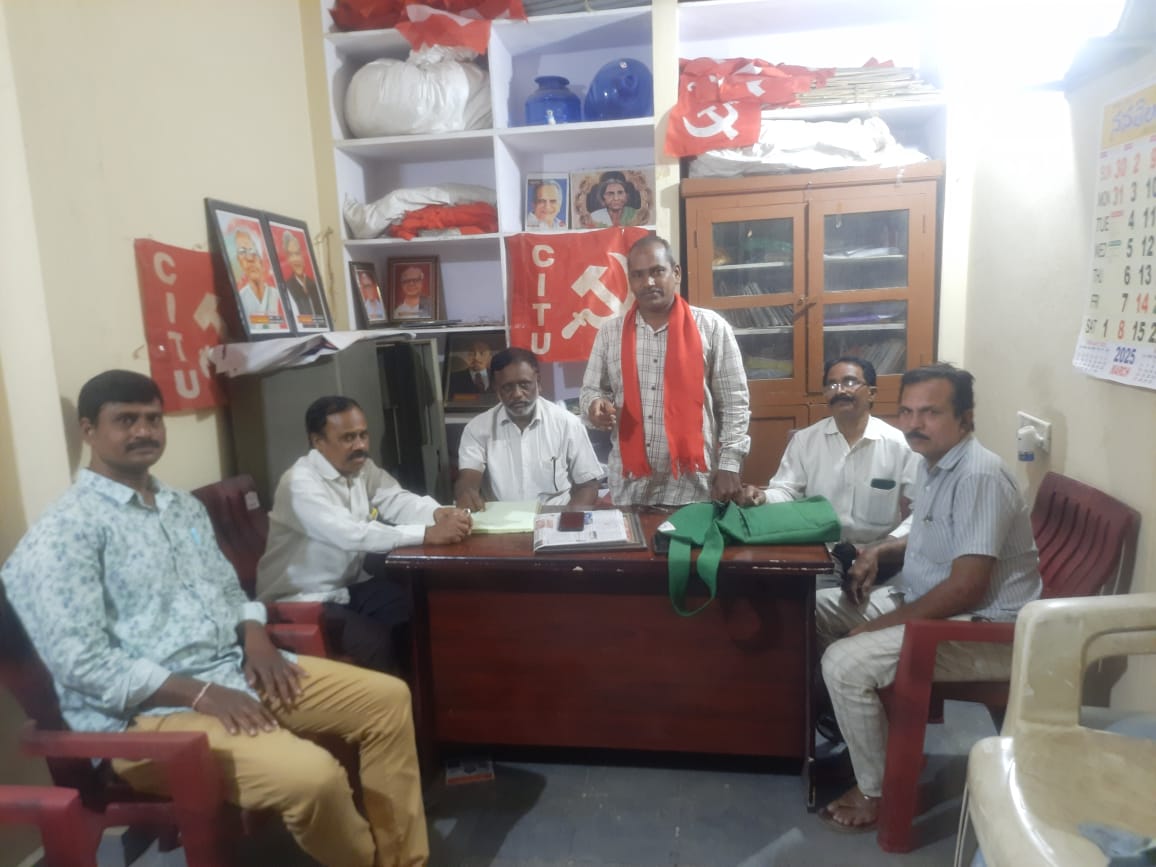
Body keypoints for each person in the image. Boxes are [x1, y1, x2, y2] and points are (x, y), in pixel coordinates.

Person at [0, 370, 429, 866]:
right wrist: (198, 693)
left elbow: (226, 587)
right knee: (313, 777)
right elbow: (81, 663)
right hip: (148, 716)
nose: (144, 431)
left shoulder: (179, 507)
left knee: (387, 699)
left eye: (153, 419)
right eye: (126, 420)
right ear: (89, 430)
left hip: (234, 670)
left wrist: (255, 636)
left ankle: (404, 861)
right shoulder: (66, 532)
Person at [815, 363, 1042, 833]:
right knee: (811, 611)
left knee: (843, 661)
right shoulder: (935, 463)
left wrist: (874, 627)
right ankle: (865, 737)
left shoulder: (978, 476)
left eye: (931, 413)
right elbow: (929, 531)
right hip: (926, 600)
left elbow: (966, 587)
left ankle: (879, 790)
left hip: (985, 631)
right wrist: (879, 550)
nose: (914, 424)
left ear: (965, 419)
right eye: (907, 412)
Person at [257, 395, 471, 675]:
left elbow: (394, 498)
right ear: (317, 441)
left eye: (363, 435)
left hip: (349, 586)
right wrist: (427, 533)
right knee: (375, 642)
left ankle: (425, 692)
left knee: (419, 612)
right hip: (302, 600)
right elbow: (350, 534)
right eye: (348, 438)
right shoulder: (299, 483)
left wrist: (438, 513)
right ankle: (396, 700)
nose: (359, 445)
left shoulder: (360, 468)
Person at [580, 235, 750, 507]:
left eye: (657, 271)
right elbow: (591, 390)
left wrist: (730, 464)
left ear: (676, 273)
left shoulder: (712, 328)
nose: (648, 282)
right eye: (638, 275)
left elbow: (734, 403)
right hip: (630, 485)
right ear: (630, 280)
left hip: (693, 485)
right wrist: (594, 405)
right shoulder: (610, 333)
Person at [740, 356, 918, 569]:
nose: (840, 391)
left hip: (880, 556)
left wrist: (889, 544)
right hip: (820, 554)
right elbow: (787, 492)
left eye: (850, 382)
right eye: (832, 385)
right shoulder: (805, 441)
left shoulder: (900, 445)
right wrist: (763, 497)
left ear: (872, 393)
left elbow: (923, 510)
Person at [455, 347, 602, 510]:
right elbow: (468, 479)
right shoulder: (477, 428)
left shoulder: (567, 423)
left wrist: (567, 518)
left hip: (554, 516)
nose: (517, 394)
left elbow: (588, 485)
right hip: (501, 519)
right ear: (496, 389)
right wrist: (466, 493)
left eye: (524, 384)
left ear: (538, 383)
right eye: (507, 387)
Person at [234, 228, 287, 330]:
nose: (249, 258)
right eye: (242, 251)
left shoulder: (278, 297)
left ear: (262, 260)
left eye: (252, 250)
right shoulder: (239, 300)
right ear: (239, 262)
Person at [281, 231, 326, 326]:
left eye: (297, 253)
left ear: (304, 255)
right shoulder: (287, 288)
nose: (295, 259)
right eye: (291, 255)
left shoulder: (315, 286)